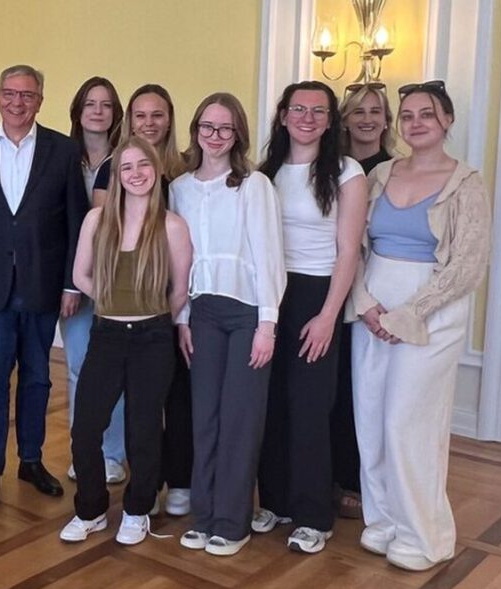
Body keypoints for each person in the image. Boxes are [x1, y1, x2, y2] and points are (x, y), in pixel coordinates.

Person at [350, 81, 491, 571]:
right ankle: (384, 520)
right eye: (407, 115)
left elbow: (467, 265)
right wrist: (365, 301)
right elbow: (356, 245)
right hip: (372, 305)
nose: (415, 123)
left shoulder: (466, 183)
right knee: (371, 418)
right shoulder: (381, 174)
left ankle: (425, 534)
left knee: (408, 421)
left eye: (426, 114)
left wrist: (409, 313)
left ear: (447, 120)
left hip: (432, 311)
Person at [0, 64, 89, 511]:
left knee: (37, 379)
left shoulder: (63, 150)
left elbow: (75, 222)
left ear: (40, 101)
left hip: (43, 285)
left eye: (28, 95)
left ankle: (30, 460)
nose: (18, 102)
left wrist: (71, 284)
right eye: (10, 93)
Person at [59, 135, 191, 545]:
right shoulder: (97, 220)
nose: (136, 174)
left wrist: (150, 313)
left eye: (143, 165)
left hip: (153, 338)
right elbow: (79, 275)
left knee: (144, 429)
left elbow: (180, 290)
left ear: (157, 170)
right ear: (116, 176)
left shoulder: (172, 225)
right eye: (126, 167)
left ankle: (137, 510)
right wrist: (112, 299)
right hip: (106, 335)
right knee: (86, 428)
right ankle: (91, 510)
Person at [170, 93, 286, 556]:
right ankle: (204, 516)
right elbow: (180, 262)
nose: (214, 136)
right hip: (202, 312)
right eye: (207, 126)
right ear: (196, 130)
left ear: (237, 134)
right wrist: (182, 319)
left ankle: (232, 522)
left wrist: (267, 325)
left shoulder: (254, 185)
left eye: (224, 128)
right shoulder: (180, 188)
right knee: (205, 418)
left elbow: (269, 255)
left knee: (240, 419)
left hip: (247, 314)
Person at [255, 81, 368, 554]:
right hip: (269, 294)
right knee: (271, 403)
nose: (307, 118)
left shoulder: (347, 171)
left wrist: (327, 316)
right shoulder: (265, 172)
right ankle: (276, 501)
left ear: (329, 121)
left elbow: (349, 252)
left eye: (318, 111)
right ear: (283, 116)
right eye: (298, 109)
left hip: (318, 294)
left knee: (309, 407)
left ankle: (312, 516)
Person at [91, 83, 192, 516]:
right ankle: (139, 485)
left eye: (157, 114)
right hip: (129, 311)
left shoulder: (186, 171)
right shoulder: (115, 170)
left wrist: (169, 311)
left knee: (176, 399)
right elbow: (106, 240)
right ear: (129, 121)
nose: (149, 123)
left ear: (170, 119)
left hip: (175, 303)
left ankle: (177, 480)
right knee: (138, 408)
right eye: (140, 115)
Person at [331, 83, 396, 519]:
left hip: (378, 292)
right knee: (336, 388)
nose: (367, 119)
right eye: (358, 111)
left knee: (369, 393)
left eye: (375, 111)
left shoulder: (395, 171)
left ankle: (362, 479)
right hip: (335, 284)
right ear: (345, 120)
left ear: (387, 121)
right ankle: (335, 475)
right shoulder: (333, 168)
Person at [62, 76, 128, 485]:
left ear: (116, 113)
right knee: (77, 367)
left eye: (106, 105)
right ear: (78, 111)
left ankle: (113, 454)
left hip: (117, 282)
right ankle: (84, 451)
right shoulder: (61, 156)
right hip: (73, 280)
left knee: (114, 371)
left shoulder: (127, 159)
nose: (98, 112)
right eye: (90, 104)